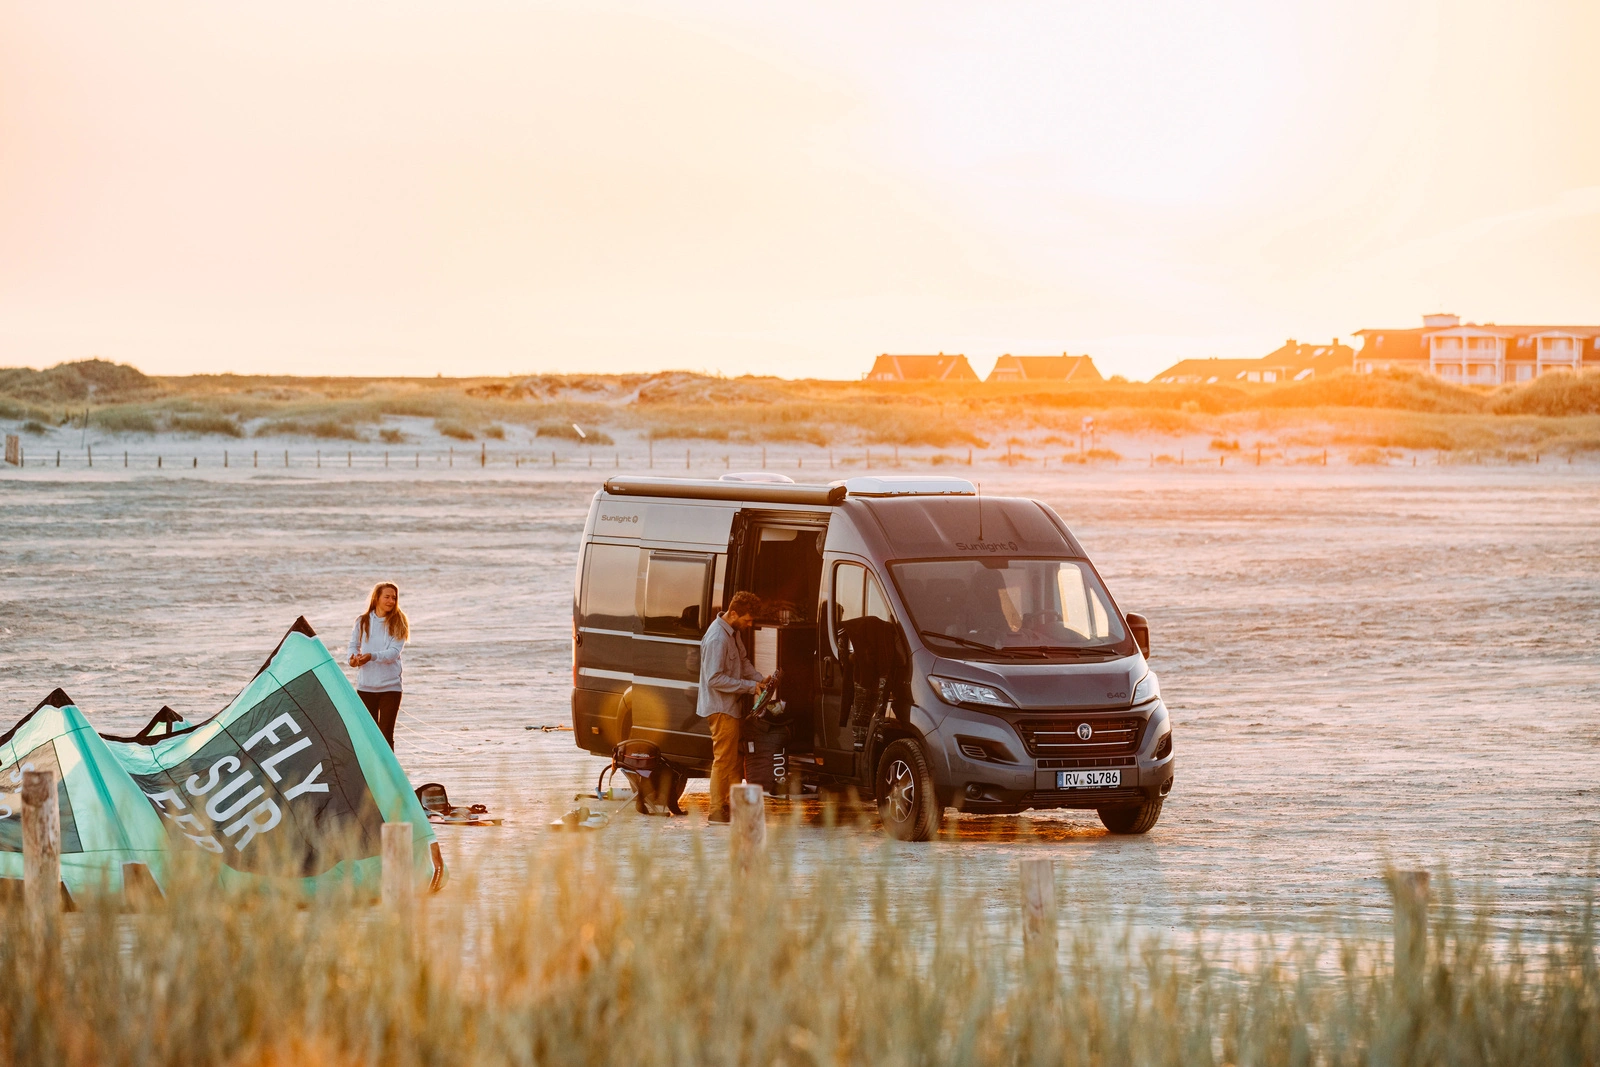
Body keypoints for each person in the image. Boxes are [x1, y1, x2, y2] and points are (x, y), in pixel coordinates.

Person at [696, 590, 770, 824]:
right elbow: (714, 678)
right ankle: (717, 810)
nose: (749, 624)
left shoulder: (732, 631)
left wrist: (760, 681)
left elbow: (743, 661)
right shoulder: (717, 638)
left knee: (736, 760)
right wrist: (750, 687)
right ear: (733, 613)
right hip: (721, 708)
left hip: (732, 706)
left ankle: (732, 806)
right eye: (747, 619)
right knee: (724, 760)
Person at [347, 582, 408, 748]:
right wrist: (352, 659)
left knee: (385, 734)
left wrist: (371, 656)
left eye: (394, 598)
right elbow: (353, 645)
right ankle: (370, 773)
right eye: (387, 597)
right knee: (368, 736)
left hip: (390, 688)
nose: (391, 601)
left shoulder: (399, 622)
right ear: (377, 598)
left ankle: (389, 773)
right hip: (366, 687)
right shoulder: (362, 621)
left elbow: (393, 653)